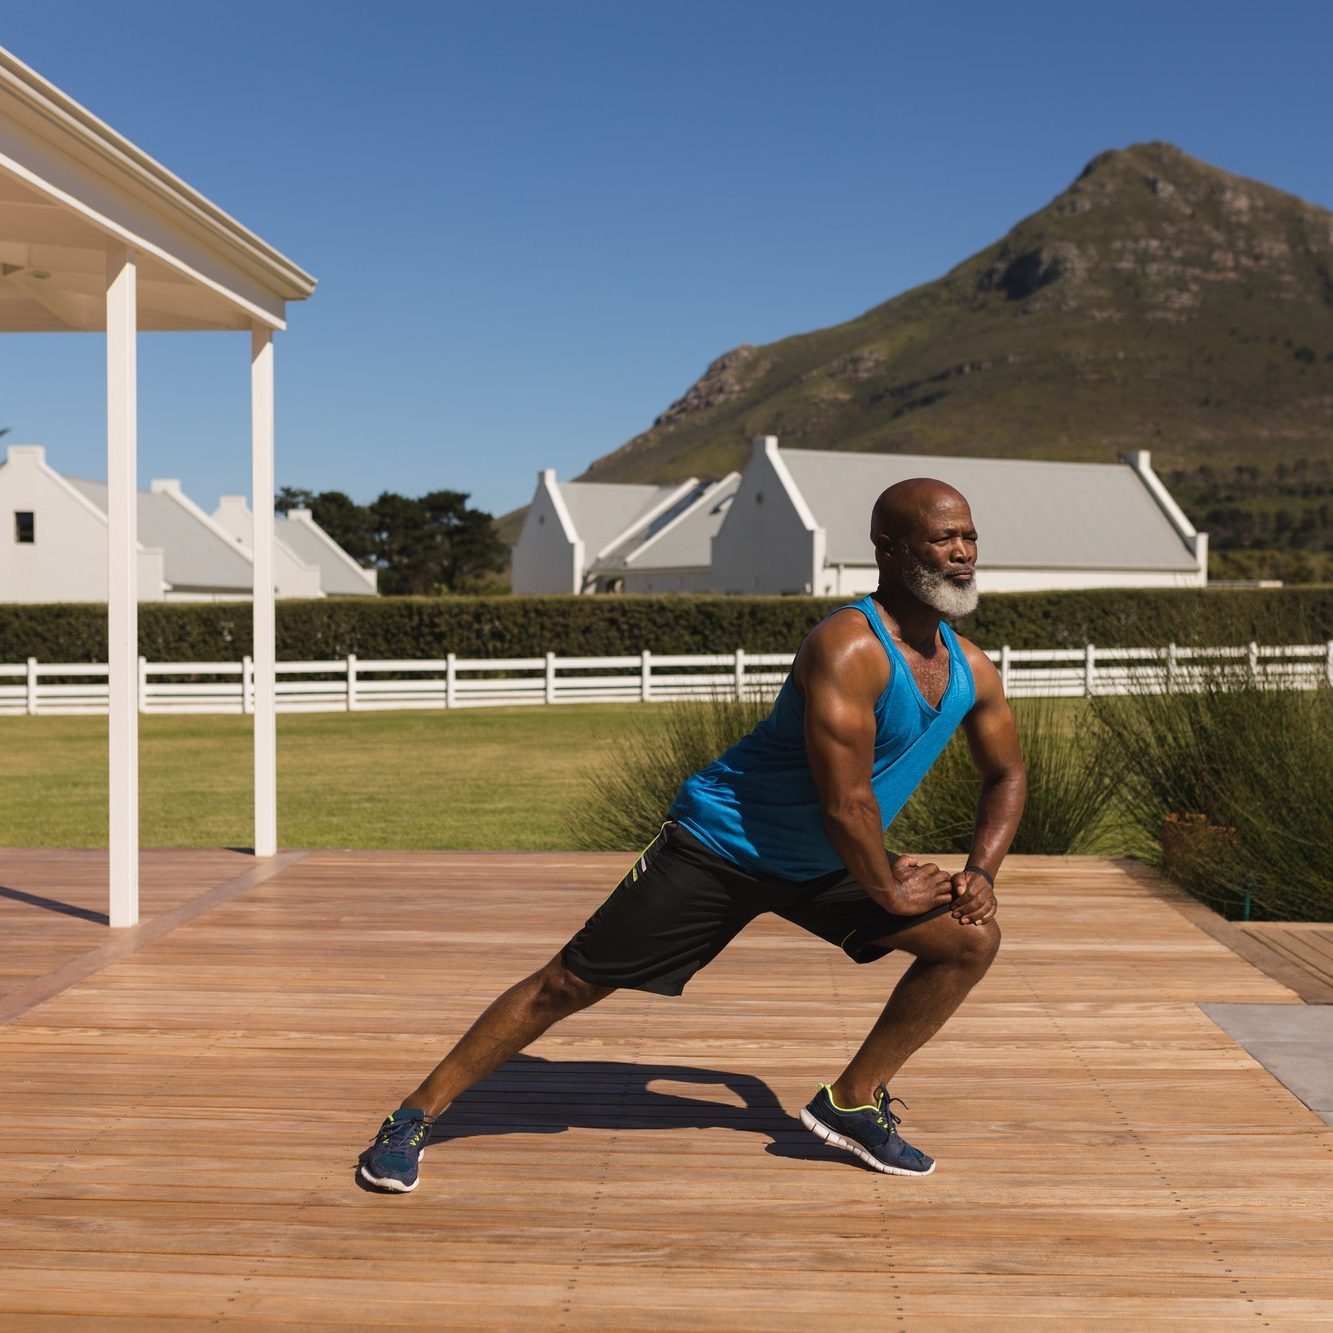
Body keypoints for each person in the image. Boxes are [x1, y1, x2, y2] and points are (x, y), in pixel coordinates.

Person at [359, 477, 1026, 1192]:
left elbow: (1006, 774)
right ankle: (414, 1114)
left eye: (968, 536)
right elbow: (846, 802)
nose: (962, 552)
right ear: (888, 549)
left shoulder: (969, 668)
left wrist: (980, 872)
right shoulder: (847, 647)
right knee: (567, 982)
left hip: (829, 860)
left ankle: (853, 1100)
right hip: (724, 844)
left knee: (968, 940)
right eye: (941, 538)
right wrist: (888, 892)